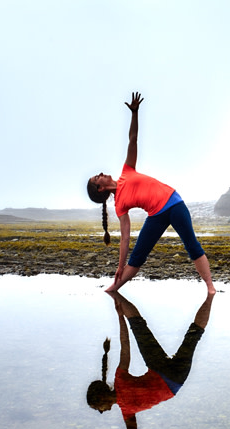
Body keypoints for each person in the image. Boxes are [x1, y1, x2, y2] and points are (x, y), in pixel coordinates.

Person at [87, 92, 216, 294]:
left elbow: (133, 139)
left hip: (173, 203)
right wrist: (120, 266)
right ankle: (113, 289)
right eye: (97, 178)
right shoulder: (119, 204)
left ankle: (210, 287)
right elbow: (125, 239)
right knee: (137, 256)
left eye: (97, 175)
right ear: (100, 189)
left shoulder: (126, 171)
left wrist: (135, 113)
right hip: (156, 215)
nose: (101, 174)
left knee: (192, 245)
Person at [86, 290, 214, 429]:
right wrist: (121, 317)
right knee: (139, 326)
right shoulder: (120, 383)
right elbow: (126, 345)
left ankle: (211, 295)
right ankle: (115, 293)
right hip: (165, 373)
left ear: (101, 398)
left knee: (193, 335)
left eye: (97, 407)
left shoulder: (127, 412)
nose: (101, 410)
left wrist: (120, 317)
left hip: (173, 381)